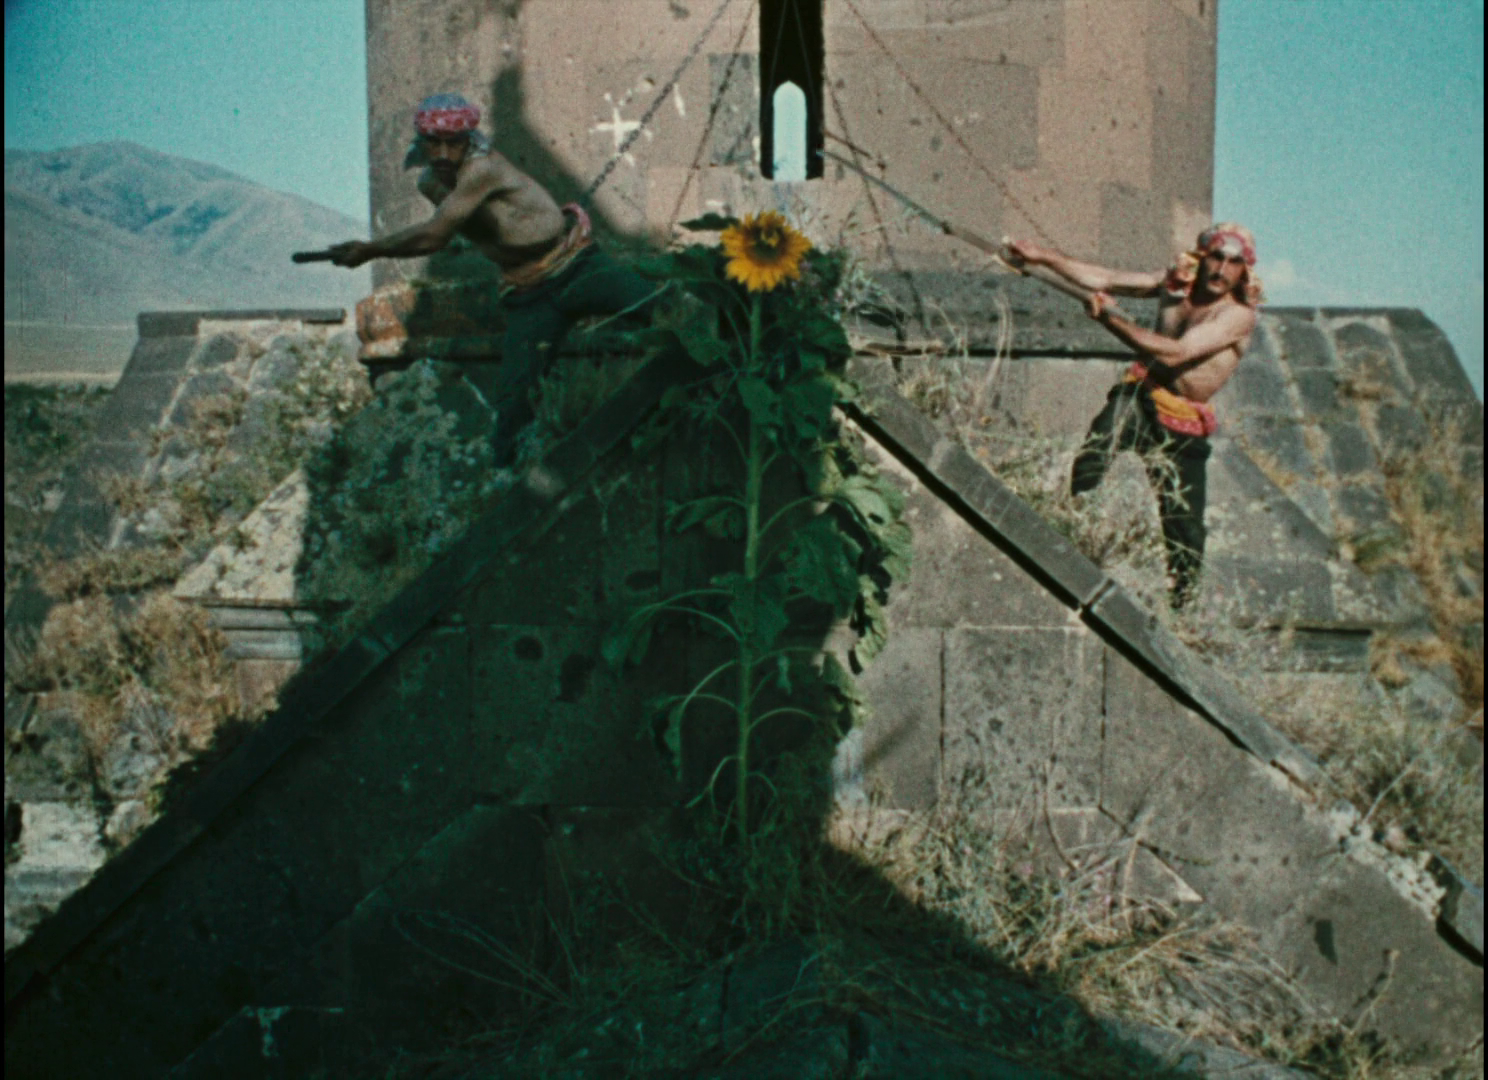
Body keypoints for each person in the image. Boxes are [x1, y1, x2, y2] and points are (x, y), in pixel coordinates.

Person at [327, 93, 660, 464]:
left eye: (453, 143)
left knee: (659, 305)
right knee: (514, 402)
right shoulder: (431, 182)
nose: (443, 154)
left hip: (577, 266)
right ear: (421, 142)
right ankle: (511, 478)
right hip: (529, 292)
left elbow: (435, 236)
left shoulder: (483, 169)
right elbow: (459, 226)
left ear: (468, 140)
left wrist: (370, 250)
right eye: (433, 143)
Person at [1006, 224, 1265, 607]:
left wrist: (1111, 320)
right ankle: (1071, 534)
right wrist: (1042, 257)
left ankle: (1183, 606)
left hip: (1183, 423)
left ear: (1244, 270)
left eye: (1233, 262)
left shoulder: (1237, 316)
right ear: (1202, 256)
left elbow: (1175, 354)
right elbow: (1105, 279)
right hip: (1142, 396)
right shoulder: (1177, 283)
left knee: (1184, 527)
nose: (1222, 270)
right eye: (1216, 257)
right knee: (1095, 451)